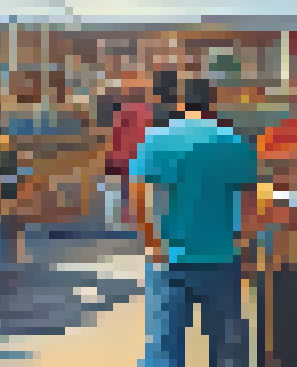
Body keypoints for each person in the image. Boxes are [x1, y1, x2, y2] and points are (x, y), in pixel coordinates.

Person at [129, 76, 261, 367]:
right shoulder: (235, 142)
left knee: (165, 348)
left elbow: (139, 200)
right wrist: (243, 244)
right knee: (228, 349)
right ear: (211, 102)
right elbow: (250, 205)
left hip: (169, 259)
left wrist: (152, 243)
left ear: (179, 103)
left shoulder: (154, 141)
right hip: (222, 256)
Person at [106, 78, 157, 231]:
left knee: (127, 187)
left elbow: (117, 134)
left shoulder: (126, 111)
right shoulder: (148, 110)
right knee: (138, 186)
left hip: (127, 154)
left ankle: (128, 218)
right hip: (138, 154)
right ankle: (135, 218)